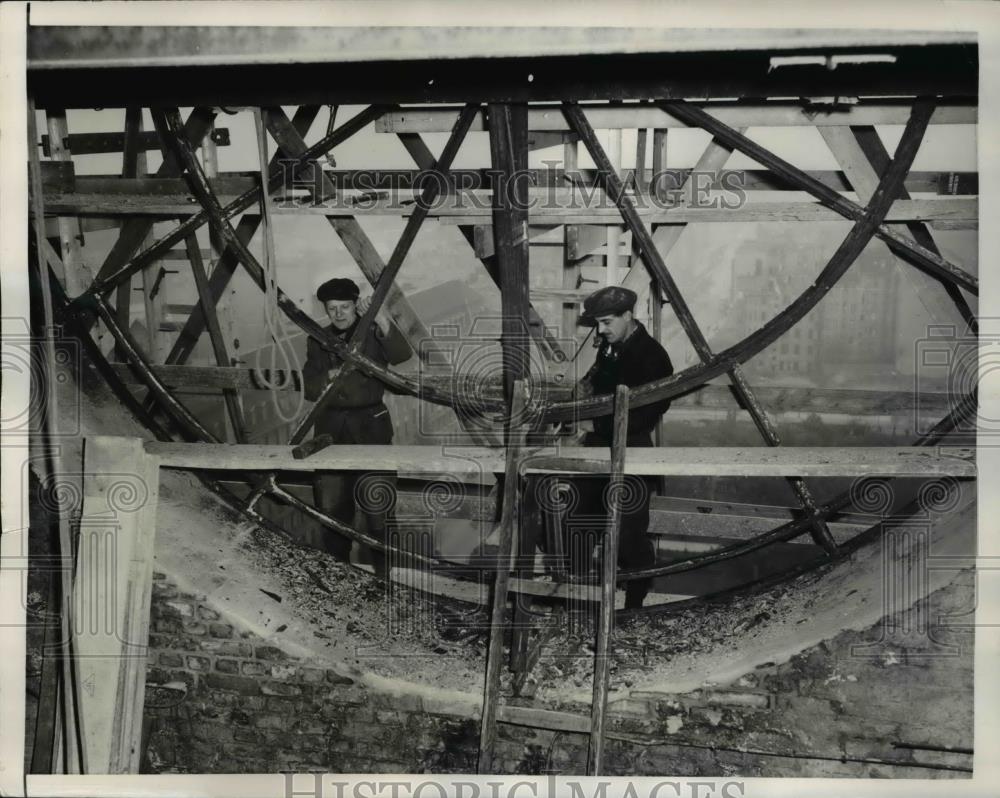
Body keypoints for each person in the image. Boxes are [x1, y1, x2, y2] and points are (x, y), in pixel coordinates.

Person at [563, 285, 674, 609]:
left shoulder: (653, 357)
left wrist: (590, 424)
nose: (601, 330)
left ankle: (635, 603)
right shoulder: (611, 347)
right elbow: (594, 385)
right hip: (597, 451)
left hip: (634, 455)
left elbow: (643, 417)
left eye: (608, 322)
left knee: (627, 536)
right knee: (578, 525)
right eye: (598, 323)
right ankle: (578, 602)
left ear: (629, 316)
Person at [303, 277, 412, 577]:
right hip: (330, 434)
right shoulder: (318, 338)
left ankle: (385, 580)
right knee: (333, 513)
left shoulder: (372, 331)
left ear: (355, 306)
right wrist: (328, 374)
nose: (339, 314)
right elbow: (310, 388)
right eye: (332, 308)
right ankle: (341, 577)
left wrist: (380, 319)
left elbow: (402, 355)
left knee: (379, 513)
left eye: (345, 307)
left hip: (371, 429)